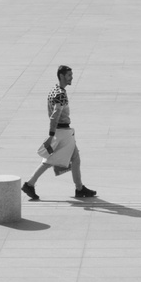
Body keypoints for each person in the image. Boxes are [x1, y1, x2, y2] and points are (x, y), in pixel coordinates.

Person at [22, 63, 97, 203]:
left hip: (60, 131)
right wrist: (51, 135)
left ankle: (79, 188)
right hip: (62, 132)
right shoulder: (60, 94)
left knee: (74, 158)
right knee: (51, 160)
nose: (71, 78)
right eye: (69, 75)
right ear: (61, 76)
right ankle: (29, 184)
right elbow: (55, 114)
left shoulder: (54, 90)